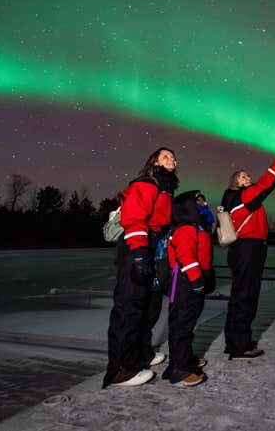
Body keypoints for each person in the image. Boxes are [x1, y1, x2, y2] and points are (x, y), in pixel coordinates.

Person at [102, 147, 179, 388]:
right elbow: (134, 217)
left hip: (152, 245)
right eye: (165, 156)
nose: (172, 159)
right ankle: (120, 369)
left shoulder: (165, 188)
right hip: (137, 245)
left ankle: (142, 353)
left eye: (173, 157)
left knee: (148, 305)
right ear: (154, 162)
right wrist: (138, 254)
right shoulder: (147, 183)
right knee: (129, 306)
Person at [220, 137, 275, 359]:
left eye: (248, 175)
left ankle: (235, 341)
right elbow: (268, 181)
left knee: (240, 295)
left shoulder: (236, 199)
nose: (248, 177)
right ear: (236, 182)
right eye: (243, 176)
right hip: (248, 249)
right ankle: (240, 346)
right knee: (246, 296)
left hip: (243, 250)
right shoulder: (244, 197)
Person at [161, 190, 215, 386]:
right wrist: (197, 279)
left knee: (185, 323)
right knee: (182, 324)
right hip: (185, 280)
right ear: (187, 207)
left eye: (204, 201)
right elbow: (186, 256)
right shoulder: (186, 228)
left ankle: (181, 359)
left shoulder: (198, 226)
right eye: (198, 202)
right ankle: (180, 369)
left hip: (192, 277)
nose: (204, 204)